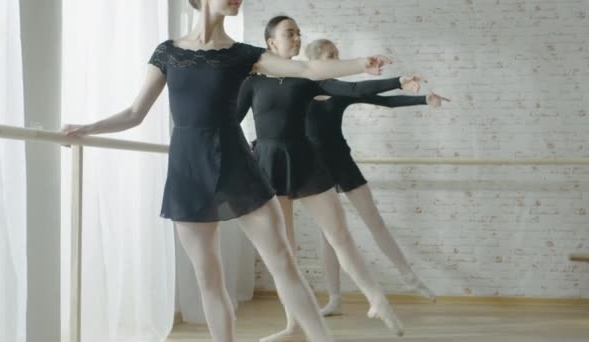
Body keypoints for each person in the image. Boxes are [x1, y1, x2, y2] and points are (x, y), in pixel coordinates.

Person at [61, 1, 391, 341]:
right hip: (188, 170)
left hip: (237, 165)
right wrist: (86, 128)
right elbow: (134, 113)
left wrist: (359, 64)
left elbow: (307, 69)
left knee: (282, 261)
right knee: (208, 277)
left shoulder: (241, 54)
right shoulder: (167, 52)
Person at [236, 15, 410, 340]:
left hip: (303, 160)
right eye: (290, 33)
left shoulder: (307, 79)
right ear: (272, 42)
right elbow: (231, 121)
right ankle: (294, 326)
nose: (297, 38)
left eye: (299, 33)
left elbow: (354, 88)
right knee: (285, 250)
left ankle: (376, 298)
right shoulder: (252, 81)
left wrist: (397, 81)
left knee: (340, 234)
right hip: (268, 163)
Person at [304, 38, 451, 316]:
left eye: (338, 54)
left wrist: (423, 99)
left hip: (342, 162)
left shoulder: (341, 90)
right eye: (331, 55)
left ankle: (409, 278)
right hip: (315, 169)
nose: (338, 58)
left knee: (374, 220)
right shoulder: (299, 89)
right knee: (329, 236)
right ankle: (334, 298)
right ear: (316, 60)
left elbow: (383, 101)